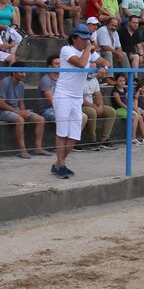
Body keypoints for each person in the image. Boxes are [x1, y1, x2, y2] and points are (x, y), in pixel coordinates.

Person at [49, 25, 97, 179]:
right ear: (75, 38)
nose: (86, 41)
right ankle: (61, 165)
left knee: (75, 135)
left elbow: (101, 60)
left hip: (76, 97)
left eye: (87, 38)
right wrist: (89, 50)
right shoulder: (66, 50)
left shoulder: (87, 52)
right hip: (63, 95)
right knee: (62, 132)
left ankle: (58, 164)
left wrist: (103, 66)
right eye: (83, 38)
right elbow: (81, 64)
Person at [0, 62, 48, 159]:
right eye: (21, 72)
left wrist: (23, 112)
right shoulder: (5, 82)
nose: (24, 74)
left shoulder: (21, 85)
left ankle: (38, 148)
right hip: (3, 112)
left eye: (24, 72)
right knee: (20, 119)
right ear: (13, 72)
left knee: (40, 119)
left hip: (16, 111)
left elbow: (21, 102)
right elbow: (1, 103)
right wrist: (18, 112)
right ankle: (22, 150)